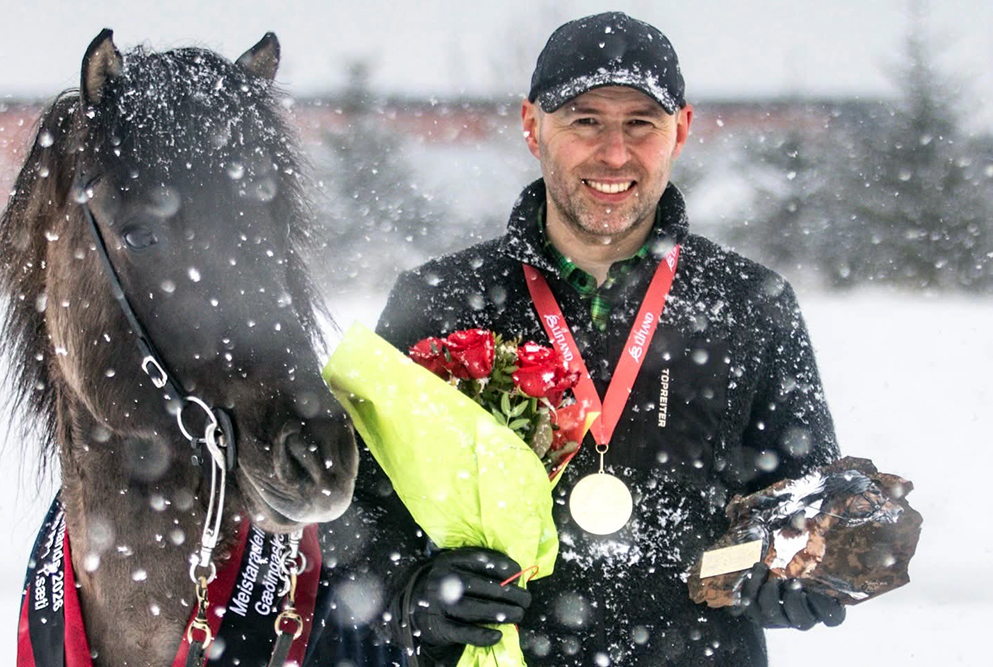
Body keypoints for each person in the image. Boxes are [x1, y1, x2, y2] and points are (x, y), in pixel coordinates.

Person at [313, 11, 845, 667]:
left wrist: (799, 566)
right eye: (585, 120)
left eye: (640, 124)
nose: (614, 153)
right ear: (532, 125)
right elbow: (349, 509)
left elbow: (809, 497)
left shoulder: (750, 303)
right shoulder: (441, 301)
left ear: (680, 130)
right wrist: (410, 593)